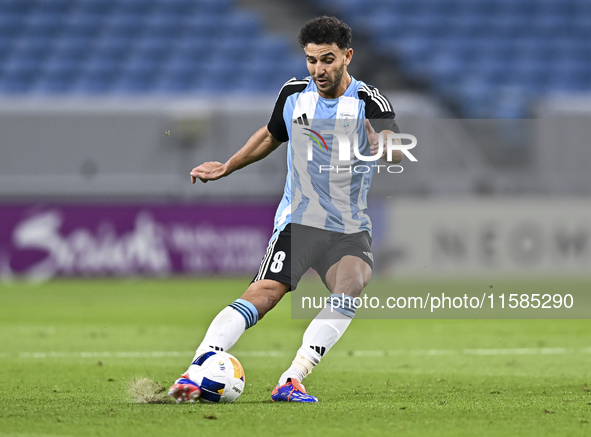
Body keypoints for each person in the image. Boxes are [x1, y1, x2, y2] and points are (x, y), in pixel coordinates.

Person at [168, 16, 402, 403]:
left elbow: (392, 139)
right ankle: (198, 369)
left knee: (352, 285)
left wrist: (384, 144)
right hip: (300, 218)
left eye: (327, 60)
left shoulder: (367, 100)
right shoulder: (294, 94)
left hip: (348, 225)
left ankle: (292, 378)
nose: (318, 69)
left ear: (347, 56)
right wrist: (228, 166)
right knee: (265, 293)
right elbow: (270, 134)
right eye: (311, 60)